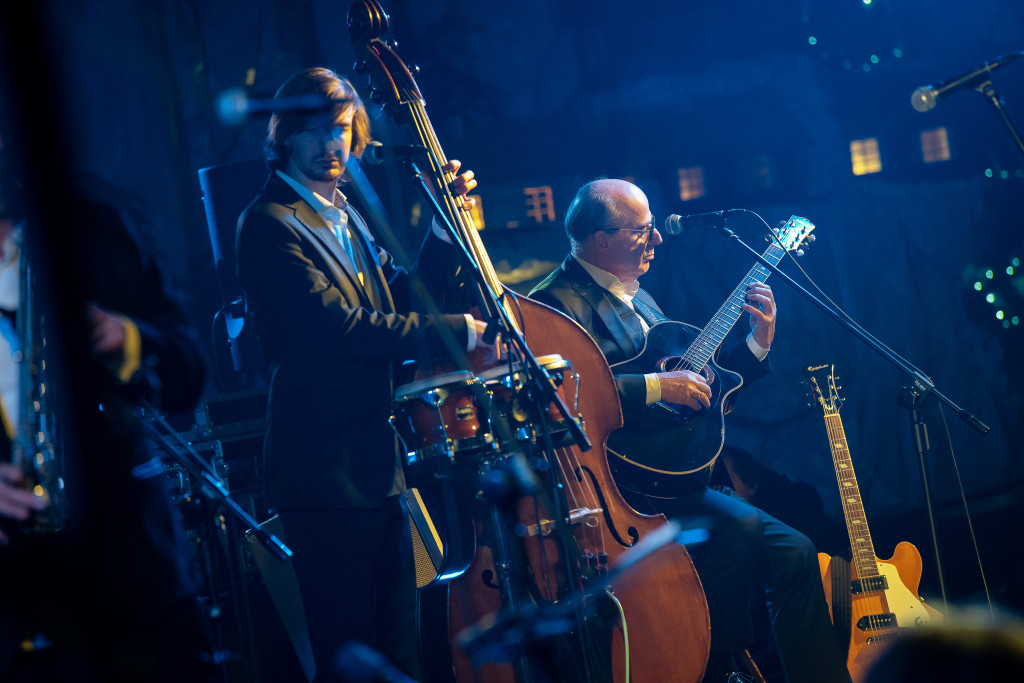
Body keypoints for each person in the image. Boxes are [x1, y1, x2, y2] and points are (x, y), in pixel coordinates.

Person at [529, 178, 850, 683]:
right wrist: (656, 386)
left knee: (797, 552)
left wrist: (755, 345)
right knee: (738, 530)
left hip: (676, 478)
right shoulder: (553, 305)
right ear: (603, 238)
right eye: (643, 231)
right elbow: (561, 391)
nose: (657, 241)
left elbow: (700, 388)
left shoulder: (639, 294)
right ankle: (714, 670)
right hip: (619, 493)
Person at [235, 66, 490, 682]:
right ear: (287, 136)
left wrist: (441, 226)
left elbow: (401, 302)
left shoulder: (347, 211)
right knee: (351, 659)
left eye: (343, 130)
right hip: (323, 475)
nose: (332, 146)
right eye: (316, 132)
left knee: (401, 649)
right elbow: (341, 329)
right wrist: (458, 329)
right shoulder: (270, 222)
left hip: (380, 468)